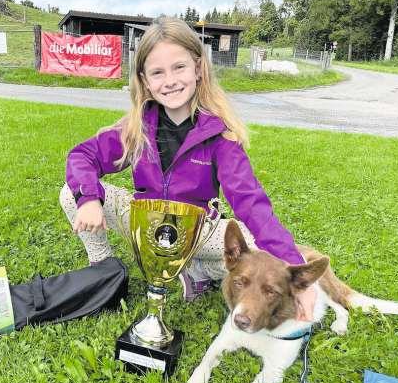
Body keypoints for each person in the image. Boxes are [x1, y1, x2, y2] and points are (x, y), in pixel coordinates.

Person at [59, 17, 316, 321]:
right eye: (157, 72)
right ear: (144, 80)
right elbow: (82, 156)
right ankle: (103, 269)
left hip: (198, 231)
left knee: (254, 252)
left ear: (198, 68)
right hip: (145, 223)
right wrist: (89, 199)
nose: (170, 81)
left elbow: (251, 202)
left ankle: (196, 271)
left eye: (179, 67)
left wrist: (292, 270)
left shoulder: (221, 136)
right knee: (71, 193)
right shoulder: (136, 128)